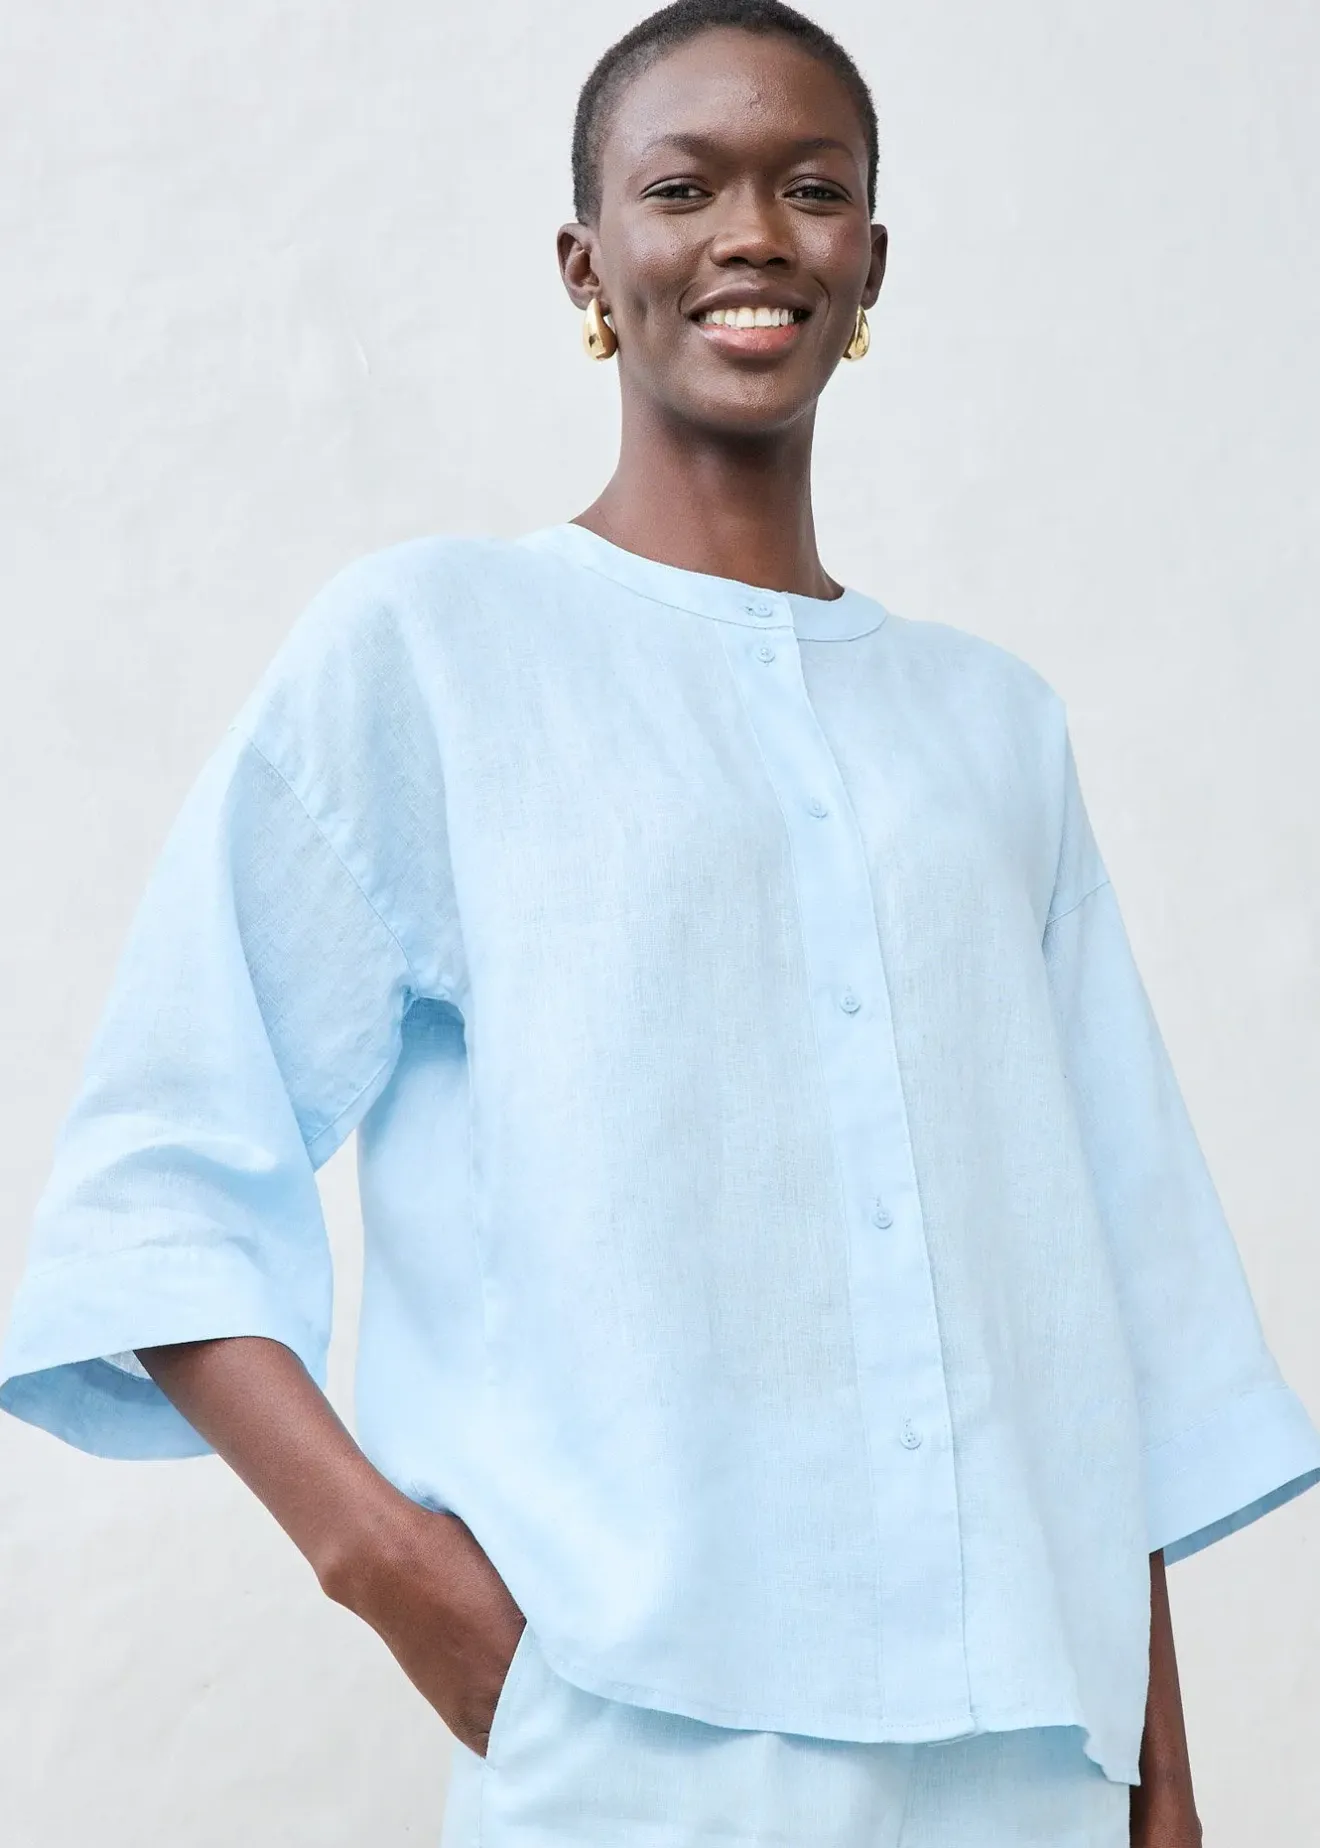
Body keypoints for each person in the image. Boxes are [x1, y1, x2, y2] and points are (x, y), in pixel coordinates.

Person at [3, 2, 1317, 1843]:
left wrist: (1164, 1783)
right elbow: (158, 1182)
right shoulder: (434, 653)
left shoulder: (995, 729)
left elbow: (1093, 1296)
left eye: (813, 189)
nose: (753, 234)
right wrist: (397, 1577)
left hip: (1032, 1756)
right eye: (684, 187)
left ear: (871, 261)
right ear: (587, 263)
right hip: (631, 1746)